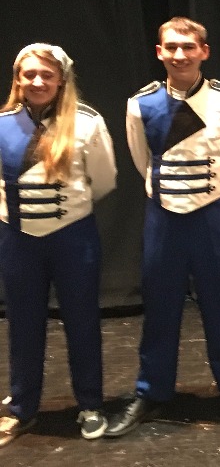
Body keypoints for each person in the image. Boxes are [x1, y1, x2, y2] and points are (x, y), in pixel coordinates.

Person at [106, 17, 220, 437]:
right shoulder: (139, 104)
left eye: (189, 47)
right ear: (159, 52)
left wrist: (214, 193)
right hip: (164, 216)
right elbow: (143, 161)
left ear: (204, 52)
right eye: (172, 47)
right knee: (159, 306)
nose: (180, 55)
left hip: (213, 215)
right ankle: (151, 390)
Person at [0, 44, 117, 446]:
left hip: (73, 237)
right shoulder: (2, 124)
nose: (38, 81)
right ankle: (22, 408)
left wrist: (69, 213)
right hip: (18, 240)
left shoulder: (87, 123)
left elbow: (103, 179)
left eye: (47, 75)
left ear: (61, 80)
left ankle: (91, 404)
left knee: (82, 322)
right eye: (29, 74)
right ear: (18, 79)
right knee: (22, 325)